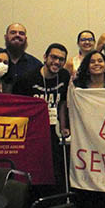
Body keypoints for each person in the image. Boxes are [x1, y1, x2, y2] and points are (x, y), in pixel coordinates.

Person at [12, 43, 71, 197]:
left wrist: (64, 127)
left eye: (61, 59)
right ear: (45, 57)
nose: (57, 62)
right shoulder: (27, 79)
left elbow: (63, 104)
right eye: (53, 57)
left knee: (56, 173)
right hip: (33, 136)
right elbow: (18, 109)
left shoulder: (64, 76)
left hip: (55, 133)